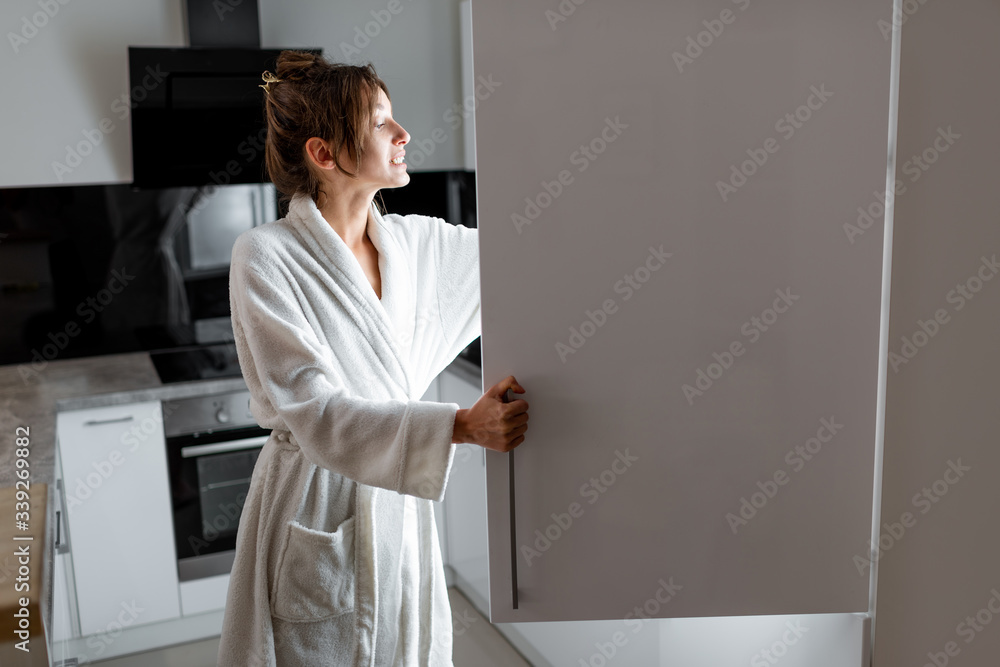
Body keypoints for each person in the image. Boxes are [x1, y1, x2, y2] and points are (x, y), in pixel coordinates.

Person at [217, 50, 529, 666]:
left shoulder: (417, 246)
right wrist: (462, 426)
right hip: (318, 504)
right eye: (381, 122)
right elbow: (318, 412)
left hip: (398, 513)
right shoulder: (264, 256)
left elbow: (524, 250)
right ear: (324, 154)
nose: (403, 134)